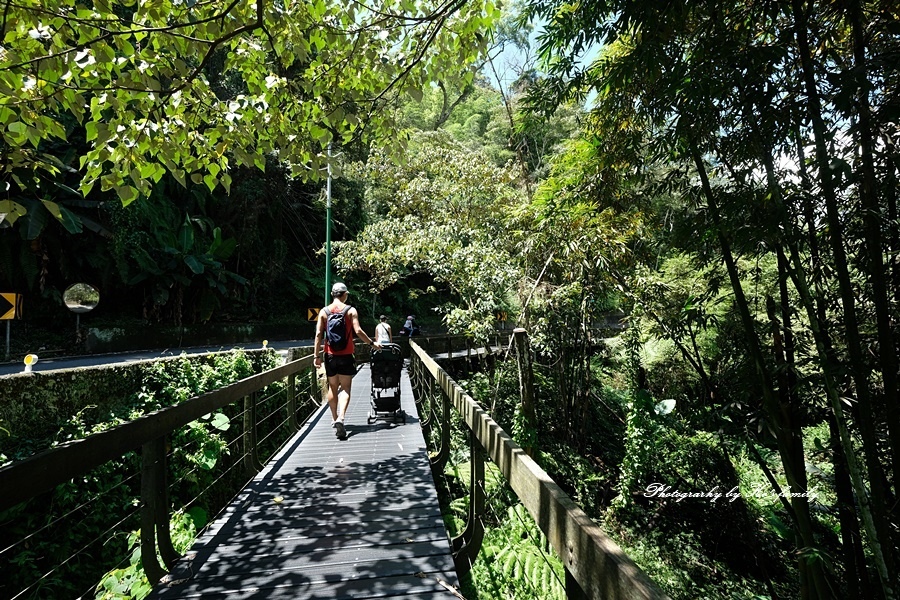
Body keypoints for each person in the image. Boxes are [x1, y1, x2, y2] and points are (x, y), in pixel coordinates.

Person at [314, 282, 380, 440]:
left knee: (332, 387)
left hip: (329, 355)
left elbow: (318, 334)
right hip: (346, 354)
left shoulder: (324, 312)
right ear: (344, 295)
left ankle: (333, 417)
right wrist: (372, 344)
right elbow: (357, 331)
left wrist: (316, 356)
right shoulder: (350, 310)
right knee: (345, 388)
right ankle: (341, 418)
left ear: (332, 294)